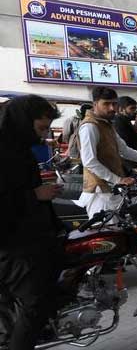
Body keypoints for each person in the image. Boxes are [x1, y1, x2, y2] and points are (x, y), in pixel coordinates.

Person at [0, 95, 64, 350]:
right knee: (35, 305)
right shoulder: (4, 152)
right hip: (13, 243)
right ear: (22, 122)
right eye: (41, 128)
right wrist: (34, 194)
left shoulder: (16, 148)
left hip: (27, 236)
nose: (44, 136)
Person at [77, 87, 137, 219]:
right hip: (99, 192)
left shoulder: (106, 124)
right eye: (106, 104)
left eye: (114, 104)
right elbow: (89, 161)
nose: (112, 108)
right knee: (109, 234)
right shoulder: (90, 126)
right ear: (95, 104)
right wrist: (118, 179)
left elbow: (124, 150)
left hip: (112, 188)